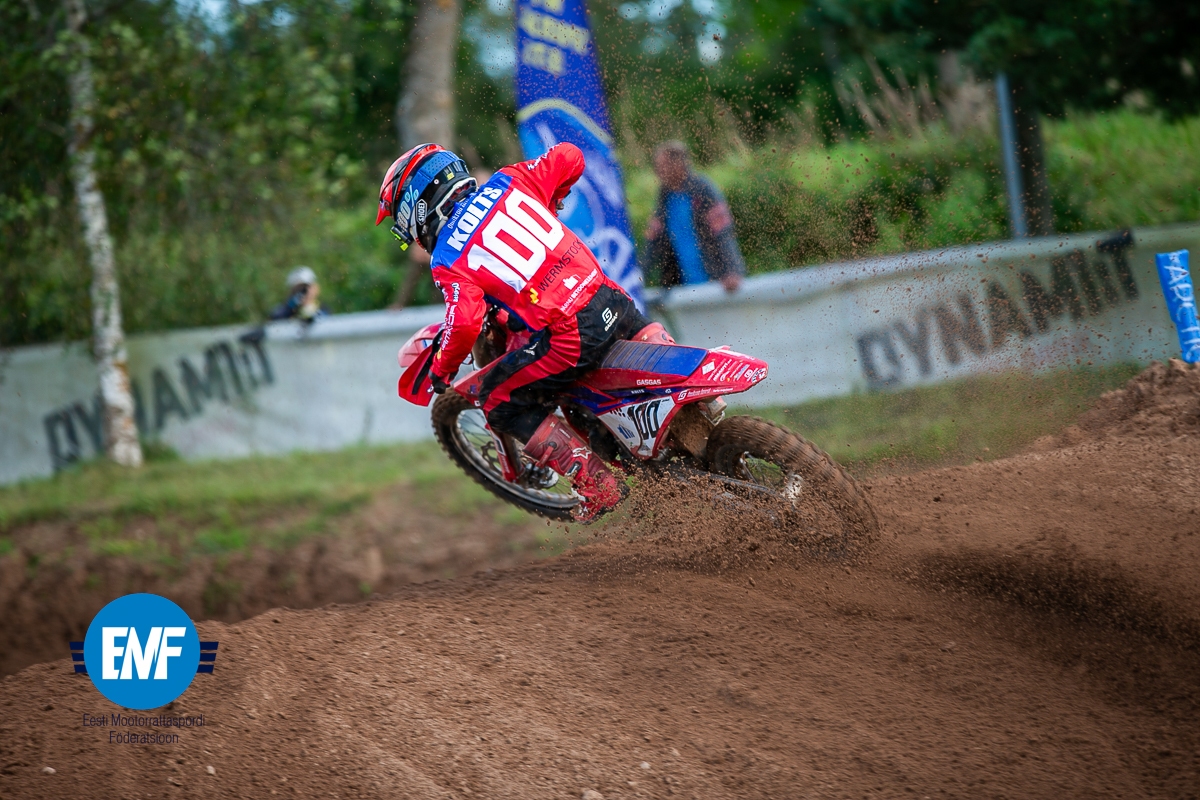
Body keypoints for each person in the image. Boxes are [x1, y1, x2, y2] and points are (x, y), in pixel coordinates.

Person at [375, 142, 672, 520]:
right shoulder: (510, 182)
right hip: (613, 300)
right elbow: (570, 156)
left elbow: (464, 322)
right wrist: (551, 200)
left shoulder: (447, 255)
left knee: (498, 400)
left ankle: (598, 485)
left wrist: (441, 370)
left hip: (571, 336)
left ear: (417, 208)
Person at [645, 140, 745, 293]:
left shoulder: (703, 189)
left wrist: (733, 271)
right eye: (656, 167)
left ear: (678, 163)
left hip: (715, 281)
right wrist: (637, 278)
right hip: (683, 287)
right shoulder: (664, 197)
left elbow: (723, 233)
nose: (658, 171)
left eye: (663, 166)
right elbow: (653, 242)